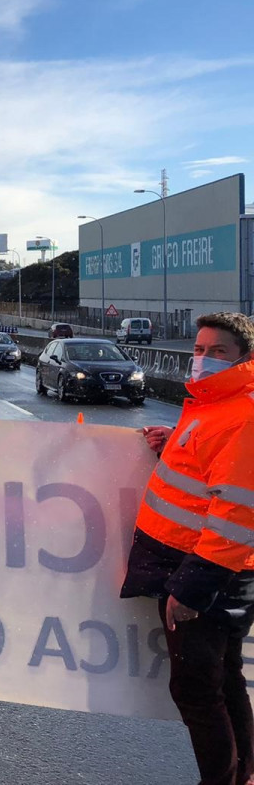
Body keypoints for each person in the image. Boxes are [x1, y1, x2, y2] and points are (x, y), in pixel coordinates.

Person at [121, 311, 254, 785]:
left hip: (207, 570)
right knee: (225, 677)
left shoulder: (242, 415)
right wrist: (170, 443)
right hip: (195, 562)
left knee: (198, 690)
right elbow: (208, 473)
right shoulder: (211, 405)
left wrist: (193, 589)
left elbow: (239, 514)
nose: (203, 360)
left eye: (217, 352)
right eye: (199, 350)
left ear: (243, 358)